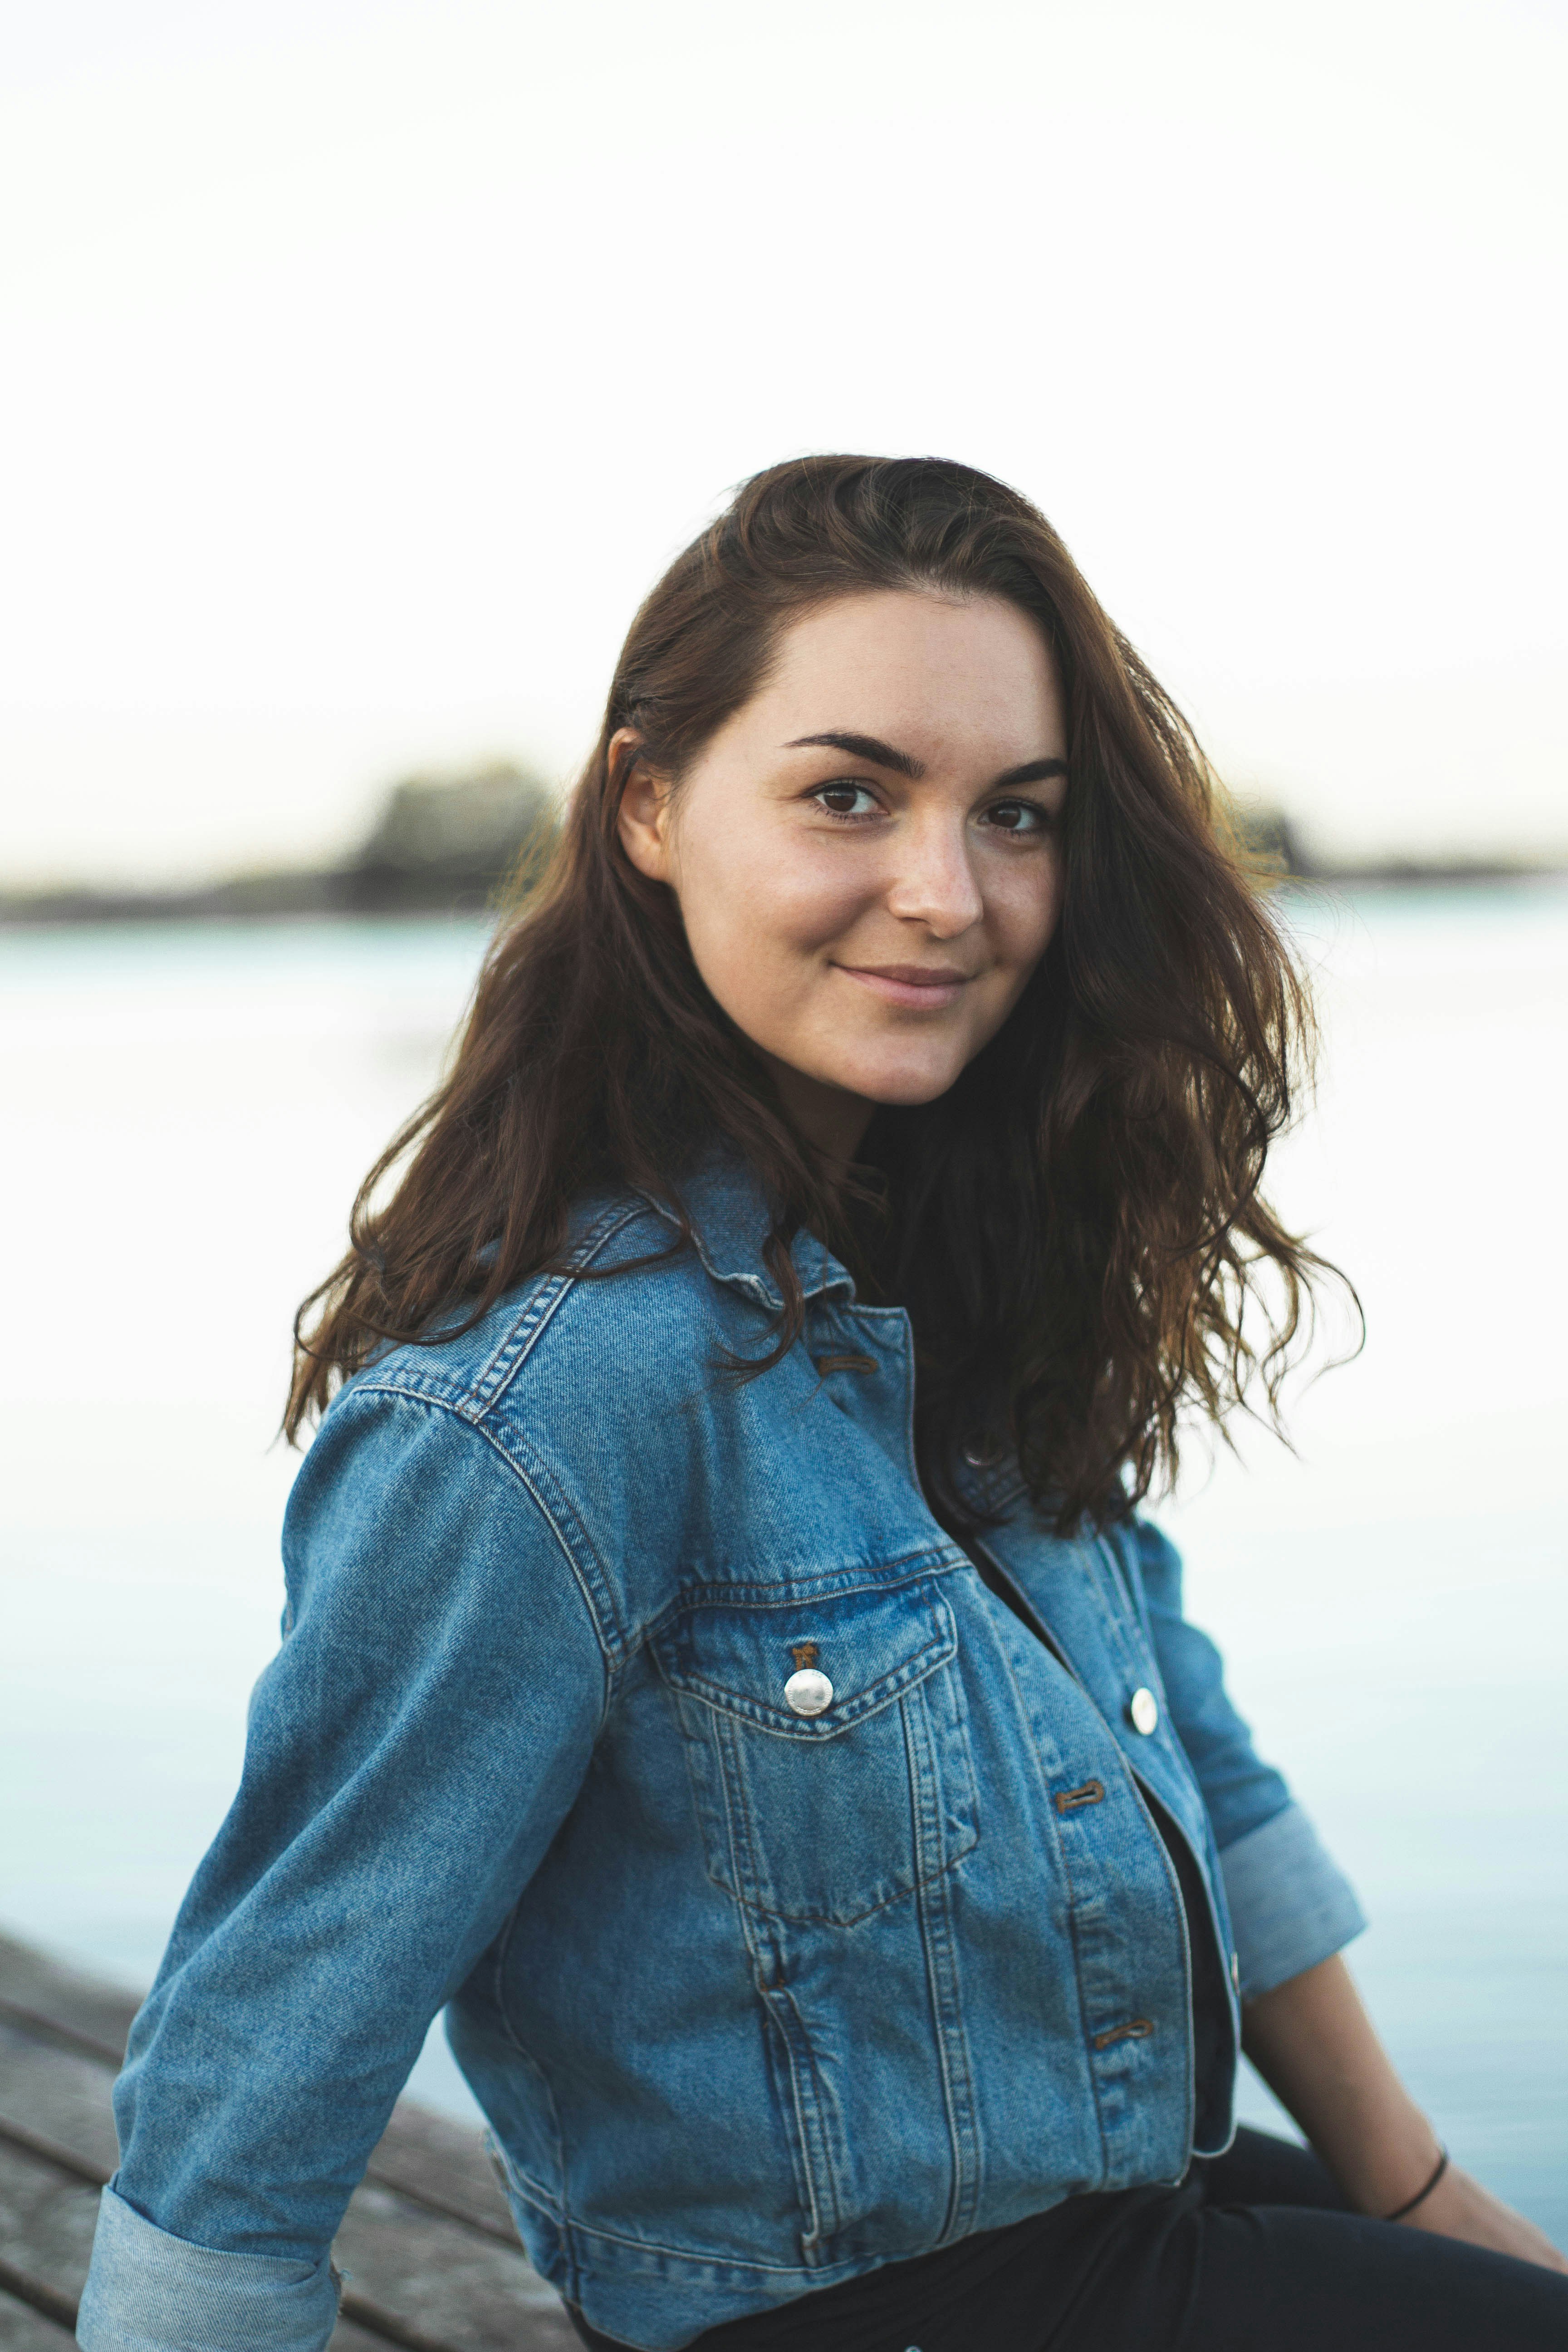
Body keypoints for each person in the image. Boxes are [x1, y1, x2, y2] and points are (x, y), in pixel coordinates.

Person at [78, 456, 1567, 2352]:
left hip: (1120, 2223)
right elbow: (252, 2086)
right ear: (648, 805)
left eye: (1015, 815)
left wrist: (1421, 2192)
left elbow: (1194, 1741)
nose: (946, 895)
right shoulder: (543, 1412)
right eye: (850, 793)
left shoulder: (954, 1278)